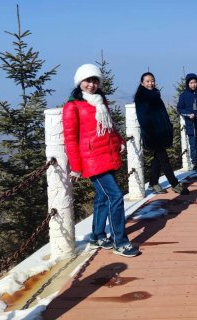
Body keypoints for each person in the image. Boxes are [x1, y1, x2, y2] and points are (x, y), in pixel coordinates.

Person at [63, 63, 140, 257]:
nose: (91, 84)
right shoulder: (72, 106)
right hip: (91, 160)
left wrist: (120, 141)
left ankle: (97, 234)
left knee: (103, 197)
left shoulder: (100, 101)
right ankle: (119, 241)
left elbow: (109, 127)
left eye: (95, 80)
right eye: (87, 80)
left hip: (107, 154)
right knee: (115, 195)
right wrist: (76, 167)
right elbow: (70, 139)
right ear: (79, 82)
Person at [134, 72, 189, 195]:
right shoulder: (142, 97)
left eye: (152, 80)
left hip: (161, 131)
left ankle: (153, 183)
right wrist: (150, 131)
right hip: (153, 133)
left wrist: (168, 126)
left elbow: (162, 113)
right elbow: (142, 118)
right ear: (142, 83)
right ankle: (174, 184)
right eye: (147, 81)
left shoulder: (155, 95)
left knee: (158, 159)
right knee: (164, 158)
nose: (150, 83)